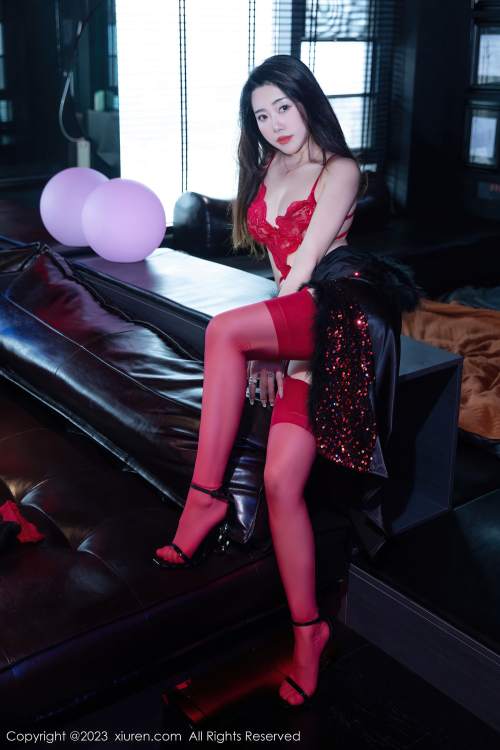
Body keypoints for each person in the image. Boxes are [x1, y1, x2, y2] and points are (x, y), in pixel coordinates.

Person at [154, 55, 419, 708]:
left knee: (224, 332)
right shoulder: (268, 167)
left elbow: (305, 263)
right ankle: (310, 634)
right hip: (303, 321)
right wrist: (276, 348)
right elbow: (279, 270)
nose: (275, 123)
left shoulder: (340, 169)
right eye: (261, 114)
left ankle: (204, 499)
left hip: (345, 311)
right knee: (279, 482)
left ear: (307, 102)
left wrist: (263, 340)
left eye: (284, 107)